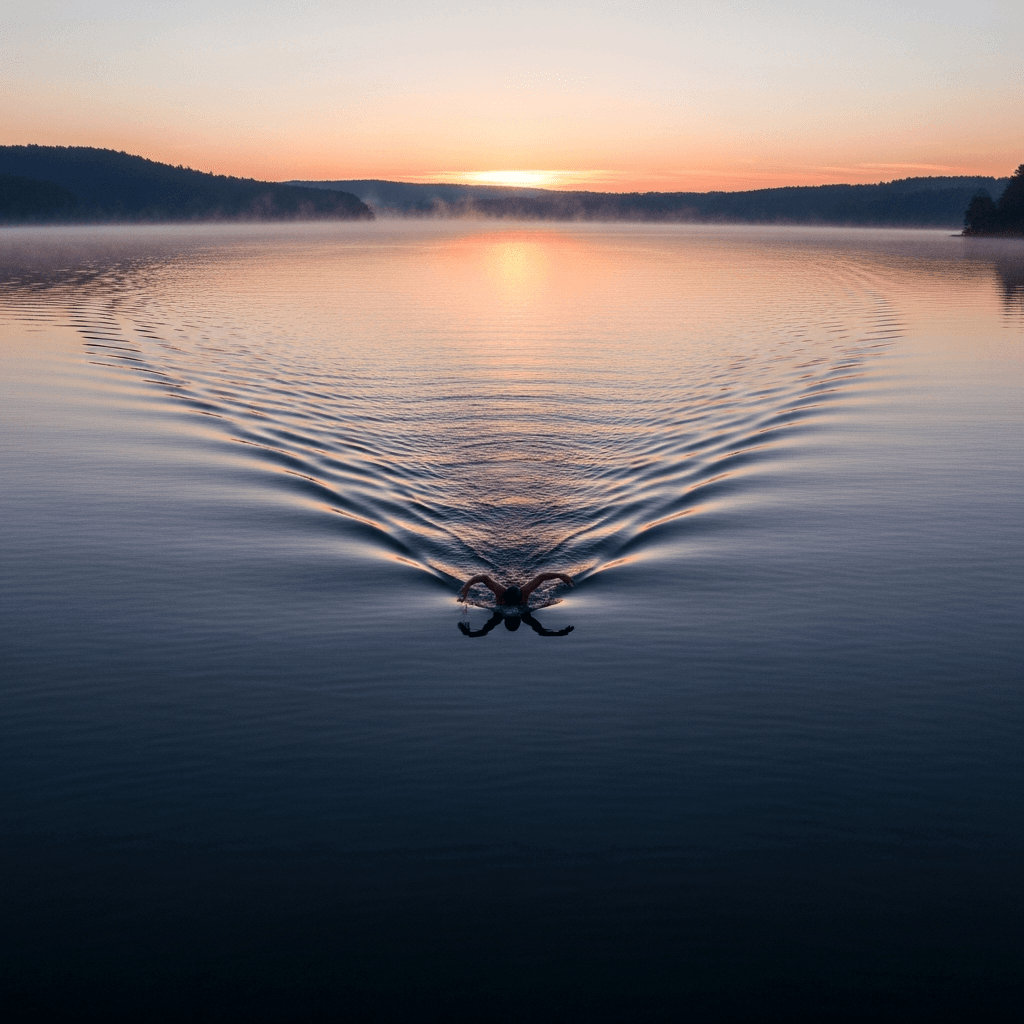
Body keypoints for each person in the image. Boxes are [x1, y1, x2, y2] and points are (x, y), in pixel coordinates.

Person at [458, 572, 575, 607]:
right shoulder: (501, 593)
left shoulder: (525, 592)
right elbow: (483, 577)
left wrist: (561, 575)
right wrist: (466, 586)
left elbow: (542, 577)